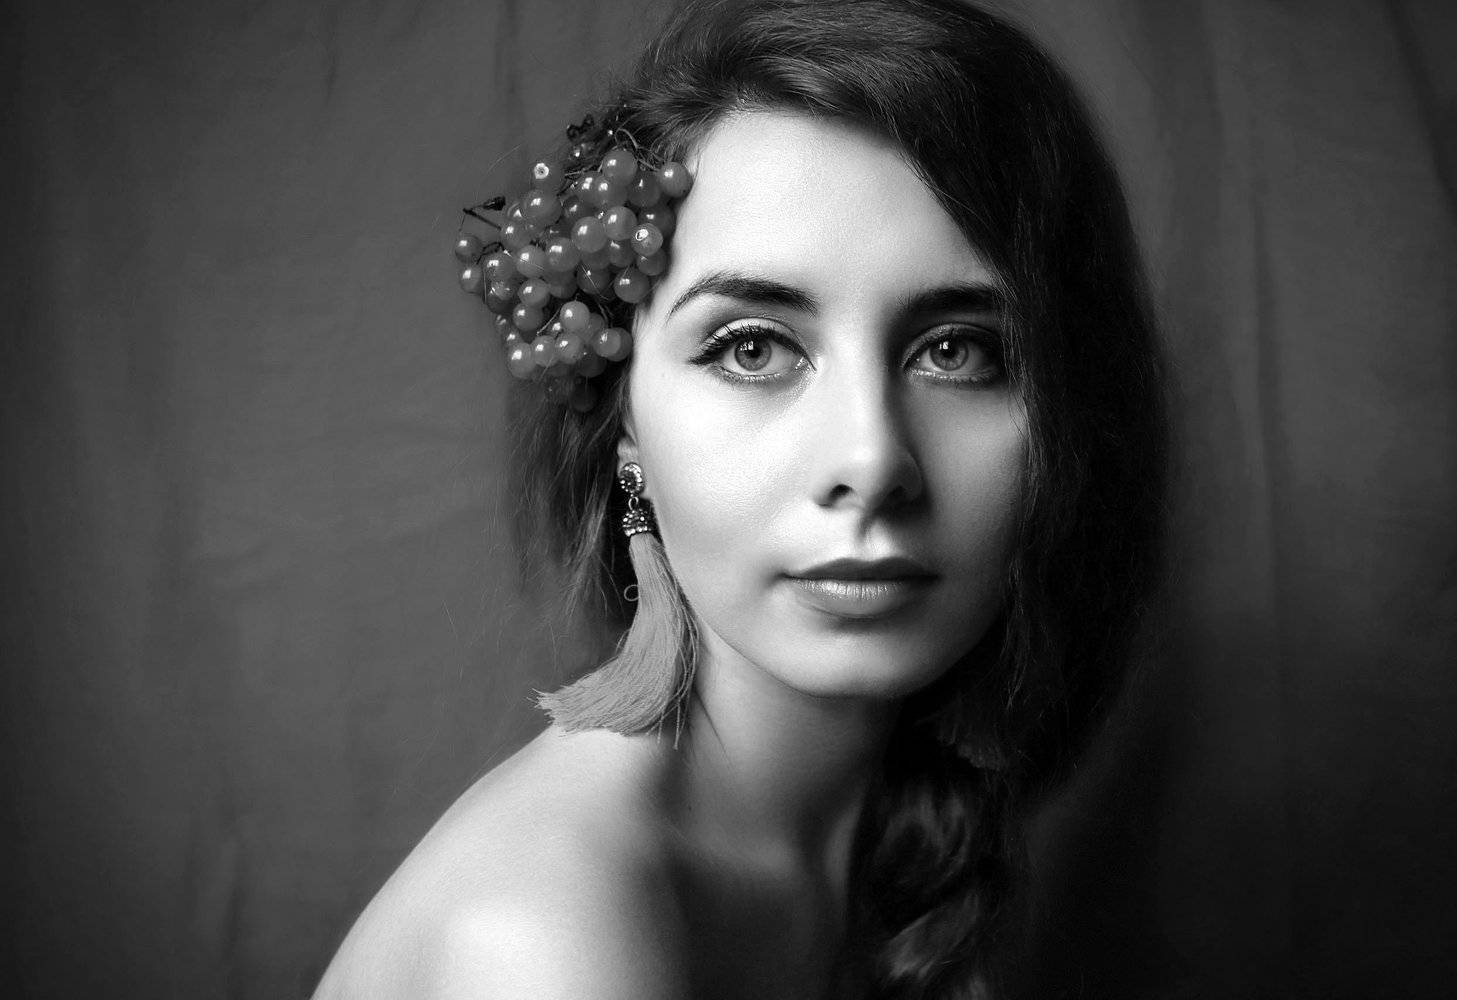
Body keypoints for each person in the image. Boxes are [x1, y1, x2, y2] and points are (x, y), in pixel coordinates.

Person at [314, 0, 1166, 996]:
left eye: (958, 350)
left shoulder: (877, 835)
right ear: (625, 425)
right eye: (753, 348)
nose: (872, 460)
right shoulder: (543, 939)